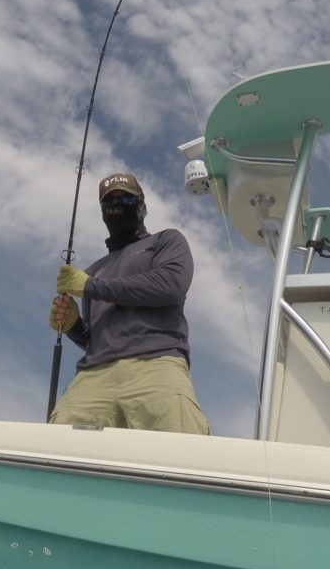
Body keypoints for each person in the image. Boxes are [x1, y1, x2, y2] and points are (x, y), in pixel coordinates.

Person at [48, 172, 210, 435]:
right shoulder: (94, 270)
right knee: (56, 450)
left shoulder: (166, 241)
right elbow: (95, 339)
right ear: (102, 212)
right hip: (94, 374)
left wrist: (90, 286)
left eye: (126, 198)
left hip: (157, 365)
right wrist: (72, 325)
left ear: (142, 205)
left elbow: (170, 285)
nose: (117, 204)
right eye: (109, 201)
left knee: (182, 455)